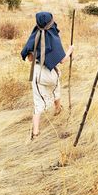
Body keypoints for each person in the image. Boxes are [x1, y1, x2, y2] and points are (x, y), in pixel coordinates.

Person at [21, 12, 74, 140]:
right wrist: (70, 51)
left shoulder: (34, 37)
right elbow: (62, 60)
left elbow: (29, 58)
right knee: (56, 88)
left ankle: (36, 132)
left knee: (38, 103)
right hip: (52, 74)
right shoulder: (54, 38)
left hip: (38, 74)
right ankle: (57, 109)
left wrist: (36, 54)